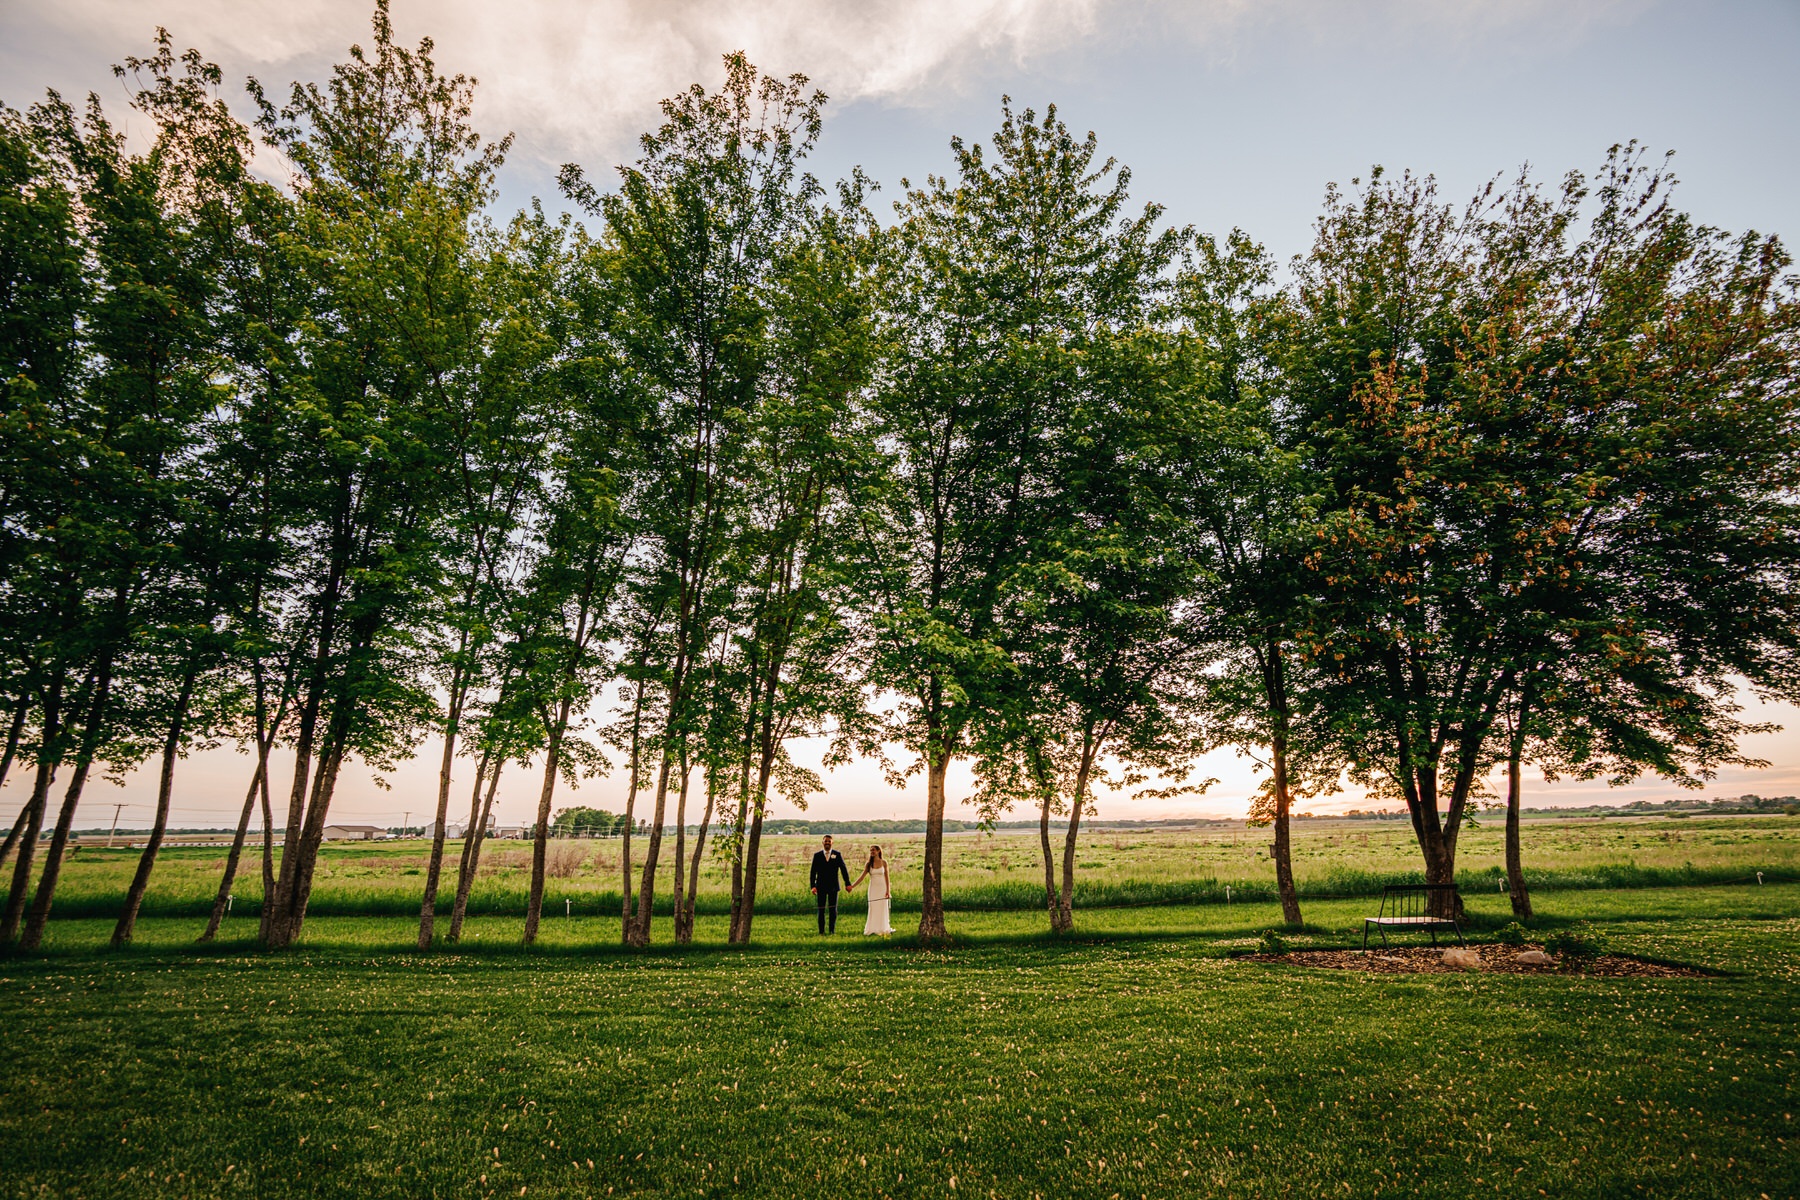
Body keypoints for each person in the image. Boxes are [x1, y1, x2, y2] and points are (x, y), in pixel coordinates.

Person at [809, 834, 851, 935]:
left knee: (833, 910)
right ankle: (821, 931)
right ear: (822, 843)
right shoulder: (817, 855)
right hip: (820, 886)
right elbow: (813, 872)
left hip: (833, 887)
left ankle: (832, 931)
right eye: (825, 841)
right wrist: (813, 886)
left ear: (832, 843)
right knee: (821, 910)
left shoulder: (837, 854)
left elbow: (843, 869)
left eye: (829, 841)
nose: (827, 843)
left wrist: (847, 883)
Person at [852, 845, 893, 936]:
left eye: (873, 850)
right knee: (873, 908)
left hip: (882, 888)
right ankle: (872, 928)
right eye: (870, 850)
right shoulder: (869, 864)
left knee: (882, 908)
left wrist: (888, 891)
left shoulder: (884, 862)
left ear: (878, 851)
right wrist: (852, 886)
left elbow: (887, 878)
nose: (872, 852)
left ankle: (883, 928)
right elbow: (862, 877)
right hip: (873, 889)